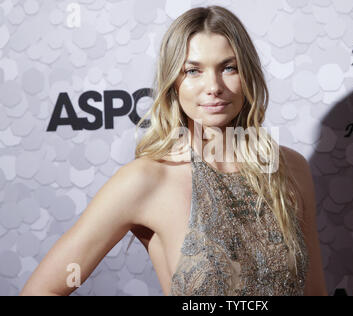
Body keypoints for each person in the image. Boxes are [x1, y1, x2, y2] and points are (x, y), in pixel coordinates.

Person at [20, 5, 327, 296]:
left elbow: (314, 292)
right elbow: (41, 289)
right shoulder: (147, 179)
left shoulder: (289, 167)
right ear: (173, 82)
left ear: (248, 74)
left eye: (229, 67)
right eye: (193, 71)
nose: (214, 86)